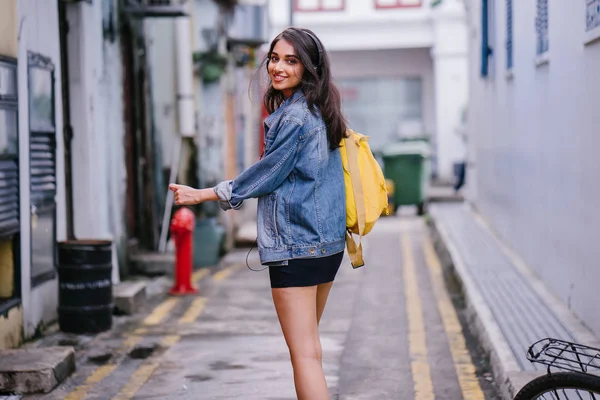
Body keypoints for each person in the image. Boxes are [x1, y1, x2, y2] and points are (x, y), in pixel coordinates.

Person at [169, 27, 347, 400]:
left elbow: (267, 174)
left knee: (305, 356)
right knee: (310, 349)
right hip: (326, 246)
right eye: (274, 58)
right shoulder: (322, 110)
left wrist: (204, 194)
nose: (278, 67)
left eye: (291, 60)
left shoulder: (296, 117)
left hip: (298, 247)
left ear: (309, 67)